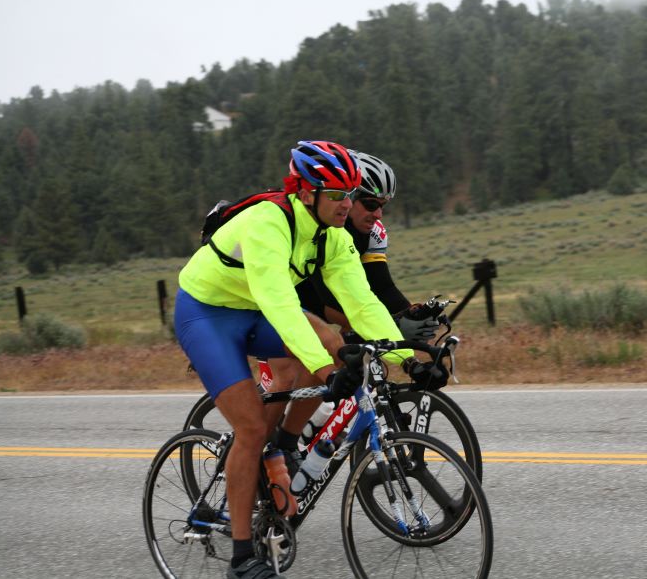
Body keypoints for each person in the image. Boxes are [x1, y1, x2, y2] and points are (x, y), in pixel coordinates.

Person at [173, 140, 445, 579]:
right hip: (208, 315)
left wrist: (409, 359)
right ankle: (242, 557)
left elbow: (363, 304)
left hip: (253, 310)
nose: (347, 204)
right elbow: (281, 307)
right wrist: (324, 370)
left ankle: (282, 447)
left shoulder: (333, 237)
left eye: (350, 193)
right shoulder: (267, 224)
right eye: (337, 195)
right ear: (305, 192)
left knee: (331, 336)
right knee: (249, 427)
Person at [269, 151, 439, 458]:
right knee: (299, 367)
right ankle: (274, 446)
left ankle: (319, 417)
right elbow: (325, 301)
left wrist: (408, 319)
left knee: (365, 349)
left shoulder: (372, 232)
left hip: (323, 300)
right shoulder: (324, 225)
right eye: (371, 204)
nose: (378, 214)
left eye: (383, 207)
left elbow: (380, 286)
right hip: (286, 297)